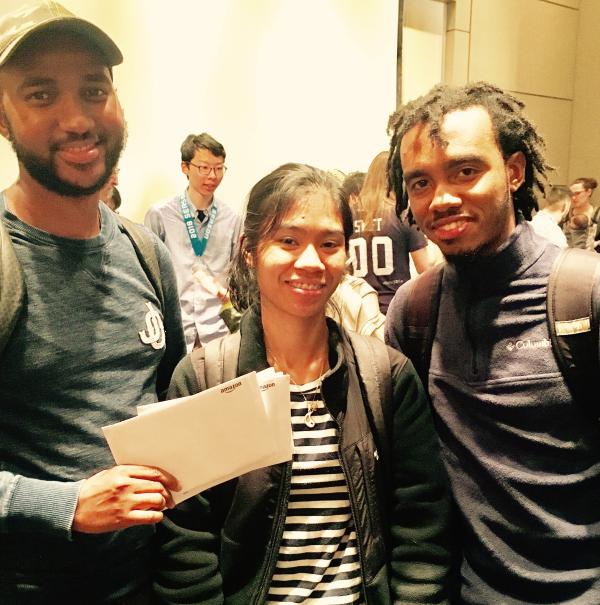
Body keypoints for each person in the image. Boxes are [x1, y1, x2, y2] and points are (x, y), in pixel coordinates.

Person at [153, 163, 452, 604]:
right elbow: (185, 545)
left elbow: (422, 526)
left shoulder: (385, 375)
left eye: (329, 243)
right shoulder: (202, 379)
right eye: (288, 241)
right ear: (250, 250)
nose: (311, 262)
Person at [385, 81, 600, 604]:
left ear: (514, 171)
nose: (442, 199)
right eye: (420, 183)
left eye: (465, 170)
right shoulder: (414, 312)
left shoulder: (585, 294)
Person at [0, 2, 186, 603]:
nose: (77, 119)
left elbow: (170, 403)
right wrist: (69, 503)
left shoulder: (145, 251)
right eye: (40, 94)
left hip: (149, 580)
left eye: (93, 89)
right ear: (1, 118)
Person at [145, 133, 242, 351]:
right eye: (204, 168)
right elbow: (150, 275)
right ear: (185, 167)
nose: (212, 176)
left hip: (218, 328)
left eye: (219, 168)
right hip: (175, 328)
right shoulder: (160, 215)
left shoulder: (232, 218)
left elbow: (237, 274)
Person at [348, 150, 438, 314]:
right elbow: (426, 267)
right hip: (394, 309)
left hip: (356, 311)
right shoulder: (401, 214)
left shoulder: (349, 215)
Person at [563, 177, 598, 250]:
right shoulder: (564, 215)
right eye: (571, 194)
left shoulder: (597, 215)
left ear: (589, 192)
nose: (573, 198)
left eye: (578, 193)